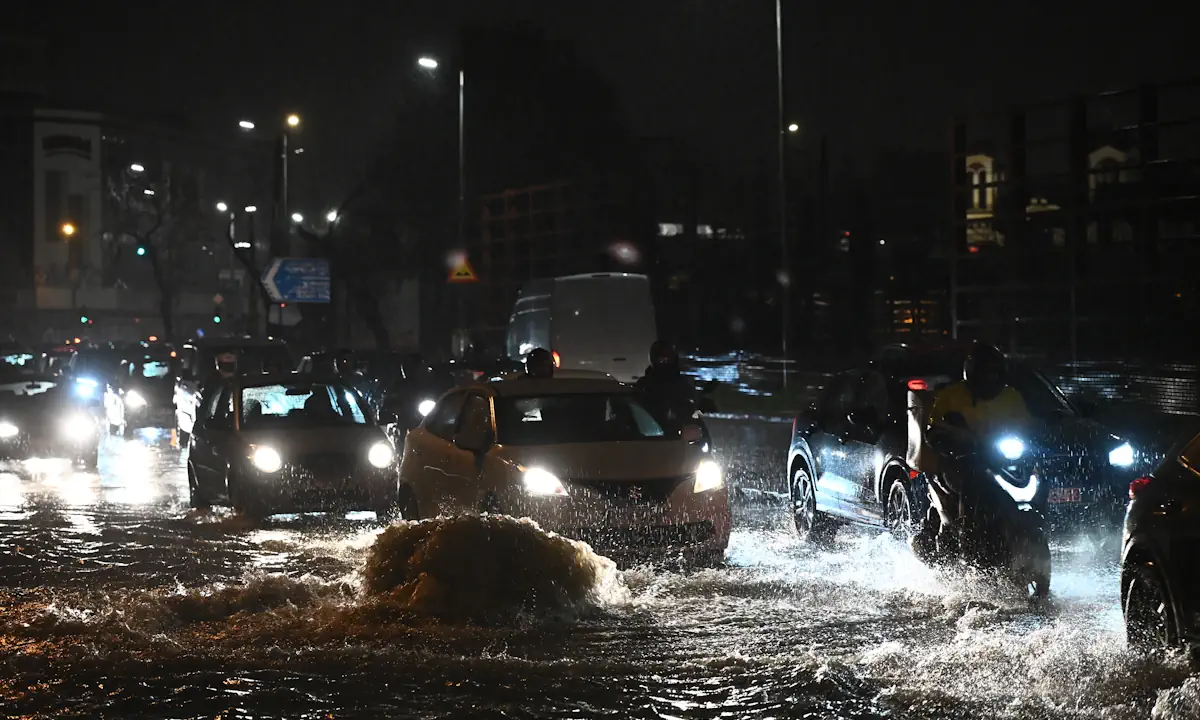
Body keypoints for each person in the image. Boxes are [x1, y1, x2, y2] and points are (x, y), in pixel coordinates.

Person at [918, 342, 1034, 557]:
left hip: (1000, 460)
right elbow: (935, 429)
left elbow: (1027, 427)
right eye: (984, 372)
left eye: (994, 372)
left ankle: (1032, 528)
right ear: (971, 373)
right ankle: (969, 540)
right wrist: (947, 440)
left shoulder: (1012, 397)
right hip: (960, 461)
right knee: (974, 483)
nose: (990, 377)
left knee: (1035, 479)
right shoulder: (951, 396)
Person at [634, 340, 698, 434]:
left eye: (667, 359)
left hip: (677, 432)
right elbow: (636, 408)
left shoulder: (682, 383)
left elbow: (691, 406)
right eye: (661, 359)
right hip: (649, 431)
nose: (664, 362)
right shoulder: (645, 383)